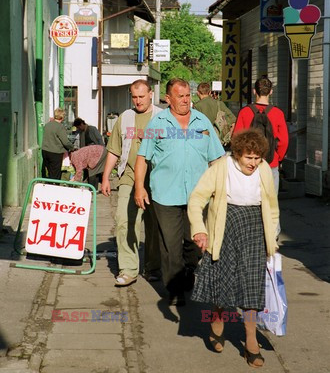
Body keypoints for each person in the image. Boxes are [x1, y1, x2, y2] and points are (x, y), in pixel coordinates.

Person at [188, 128, 279, 368]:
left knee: (251, 285)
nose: (254, 162)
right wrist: (199, 229)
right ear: (238, 153)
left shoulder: (264, 171)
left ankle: (251, 341)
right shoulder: (221, 167)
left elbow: (271, 206)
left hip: (254, 229)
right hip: (225, 227)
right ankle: (217, 319)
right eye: (249, 157)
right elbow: (197, 198)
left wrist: (273, 237)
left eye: (257, 157)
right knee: (223, 280)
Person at [135, 78, 224, 306]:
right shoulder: (158, 123)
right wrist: (139, 188)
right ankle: (175, 289)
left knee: (193, 243)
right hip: (165, 194)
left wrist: (221, 190)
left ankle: (188, 274)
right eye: (181, 96)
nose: (186, 100)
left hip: (197, 196)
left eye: (188, 96)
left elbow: (216, 158)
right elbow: (142, 159)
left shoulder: (202, 122)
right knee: (170, 244)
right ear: (168, 98)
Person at [101, 80, 161, 287]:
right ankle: (128, 269)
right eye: (134, 97)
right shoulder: (125, 118)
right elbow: (114, 150)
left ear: (150, 94)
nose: (137, 101)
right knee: (125, 221)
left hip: (156, 178)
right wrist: (106, 177)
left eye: (141, 96)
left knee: (155, 225)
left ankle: (153, 267)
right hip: (128, 175)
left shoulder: (162, 116)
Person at [233, 77, 289, 195]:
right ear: (271, 91)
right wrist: (277, 158)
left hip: (248, 164)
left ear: (254, 91)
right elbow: (284, 141)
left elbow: (235, 138)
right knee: (270, 204)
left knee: (249, 202)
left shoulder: (245, 112)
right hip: (271, 162)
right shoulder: (278, 113)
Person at [42, 108, 74, 180]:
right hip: (55, 153)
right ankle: (54, 188)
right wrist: (72, 147)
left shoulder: (47, 125)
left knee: (49, 172)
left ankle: (48, 186)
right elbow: (65, 142)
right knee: (55, 174)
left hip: (45, 151)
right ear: (62, 117)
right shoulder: (60, 127)